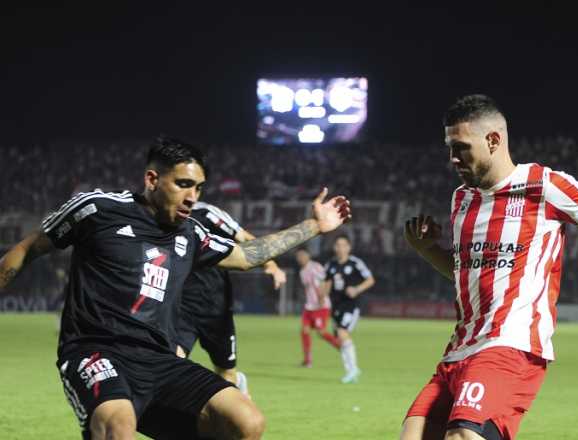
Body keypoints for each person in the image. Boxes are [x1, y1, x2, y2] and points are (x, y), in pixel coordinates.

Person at [0, 137, 351, 439]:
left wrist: (314, 226)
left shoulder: (191, 233)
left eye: (198, 188)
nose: (192, 196)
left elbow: (246, 255)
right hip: (96, 351)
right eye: (183, 184)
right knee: (118, 426)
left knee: (248, 422)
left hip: (159, 360)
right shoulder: (97, 209)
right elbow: (28, 248)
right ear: (152, 179)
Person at [400, 95, 578, 440]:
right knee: (413, 436)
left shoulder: (544, 185)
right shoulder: (462, 199)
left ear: (493, 140)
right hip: (461, 347)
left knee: (463, 436)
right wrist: (426, 249)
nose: (452, 158)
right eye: (449, 148)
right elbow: (467, 272)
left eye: (461, 147)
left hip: (512, 343)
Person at [175, 201, 288, 396]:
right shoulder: (158, 216)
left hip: (216, 308)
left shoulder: (206, 213)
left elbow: (243, 236)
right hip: (180, 307)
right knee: (172, 363)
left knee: (226, 371)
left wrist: (270, 264)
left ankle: (237, 386)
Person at [322, 235, 375, 383]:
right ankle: (351, 372)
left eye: (343, 245)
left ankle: (353, 370)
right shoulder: (330, 265)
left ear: (349, 247)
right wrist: (322, 297)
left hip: (351, 305)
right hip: (336, 306)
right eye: (338, 245)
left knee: (342, 332)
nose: (340, 248)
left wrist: (357, 289)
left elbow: (370, 280)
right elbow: (326, 285)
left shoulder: (355, 263)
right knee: (340, 338)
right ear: (334, 247)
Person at [296, 248, 341, 367]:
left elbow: (326, 280)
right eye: (298, 256)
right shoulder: (302, 272)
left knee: (321, 332)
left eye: (302, 255)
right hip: (309, 307)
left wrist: (322, 296)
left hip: (321, 306)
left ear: (308, 255)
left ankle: (341, 346)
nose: (300, 258)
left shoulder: (315, 267)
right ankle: (307, 360)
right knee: (304, 331)